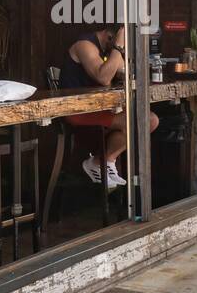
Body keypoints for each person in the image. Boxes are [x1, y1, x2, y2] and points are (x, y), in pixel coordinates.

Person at [61, 24, 158, 188]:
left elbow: (123, 71)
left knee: (150, 120)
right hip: (77, 111)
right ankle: (99, 162)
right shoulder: (85, 44)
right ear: (108, 36)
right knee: (144, 120)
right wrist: (118, 47)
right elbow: (104, 77)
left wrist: (122, 56)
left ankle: (104, 161)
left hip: (98, 108)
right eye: (118, 42)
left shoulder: (108, 49)